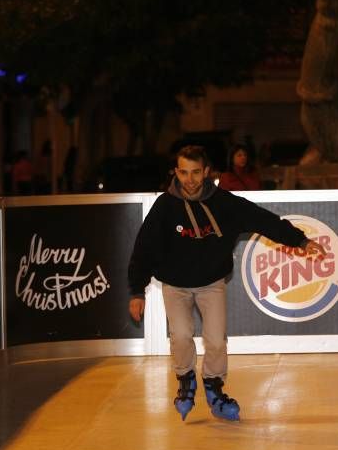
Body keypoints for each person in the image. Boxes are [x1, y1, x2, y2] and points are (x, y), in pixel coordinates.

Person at [128, 145, 326, 422]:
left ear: (206, 172)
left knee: (216, 341)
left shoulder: (224, 203)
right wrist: (137, 291)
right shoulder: (165, 206)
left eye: (196, 172)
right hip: (175, 285)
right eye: (183, 172)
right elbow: (144, 248)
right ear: (176, 172)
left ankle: (214, 388)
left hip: (211, 283)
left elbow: (263, 220)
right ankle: (186, 381)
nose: (190, 179)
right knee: (182, 335)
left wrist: (301, 240)